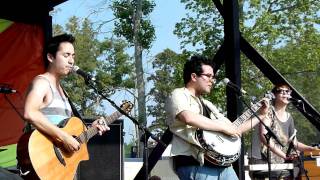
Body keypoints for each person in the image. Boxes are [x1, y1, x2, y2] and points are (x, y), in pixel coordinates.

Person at [165, 55, 270, 180]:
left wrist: (261, 115)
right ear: (194, 76)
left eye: (213, 77)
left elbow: (234, 129)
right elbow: (188, 117)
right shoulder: (178, 94)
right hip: (195, 164)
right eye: (209, 76)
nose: (212, 80)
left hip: (223, 165)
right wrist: (223, 127)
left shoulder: (208, 104)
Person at [21, 34, 109, 178]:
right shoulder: (42, 82)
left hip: (61, 169)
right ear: (51, 57)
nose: (71, 61)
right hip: (43, 161)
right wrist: (64, 137)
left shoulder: (64, 92)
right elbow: (30, 113)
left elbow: (70, 133)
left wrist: (92, 128)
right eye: (66, 55)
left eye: (73, 56)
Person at [250, 84, 318, 179]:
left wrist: (311, 149)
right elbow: (264, 137)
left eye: (287, 91)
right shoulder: (268, 112)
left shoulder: (289, 117)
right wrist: (284, 156)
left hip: (279, 163)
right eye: (281, 91)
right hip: (262, 161)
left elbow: (294, 143)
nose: (285, 93)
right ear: (274, 95)